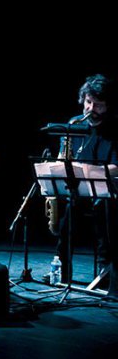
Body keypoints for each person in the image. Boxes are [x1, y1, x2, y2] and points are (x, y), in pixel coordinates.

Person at [46, 74, 117, 295]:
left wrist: (87, 171)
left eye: (98, 104)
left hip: (109, 191)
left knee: (101, 207)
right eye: (88, 102)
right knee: (69, 211)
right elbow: (62, 156)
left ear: (108, 105)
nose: (91, 109)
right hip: (78, 191)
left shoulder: (115, 128)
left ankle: (107, 269)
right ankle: (62, 268)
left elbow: (116, 166)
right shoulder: (73, 125)